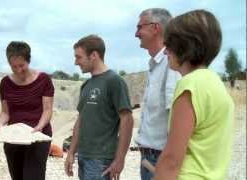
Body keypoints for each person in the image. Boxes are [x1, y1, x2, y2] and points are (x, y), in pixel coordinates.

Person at [153, 10, 234, 180]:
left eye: (169, 44)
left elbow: (172, 160)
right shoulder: (215, 82)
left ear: (184, 45)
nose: (166, 50)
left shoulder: (190, 84)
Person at [64, 35, 134, 180]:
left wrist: (120, 159)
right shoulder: (86, 85)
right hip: (83, 157)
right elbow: (80, 120)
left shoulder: (114, 81)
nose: (75, 62)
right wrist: (71, 152)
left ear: (94, 55)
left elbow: (127, 120)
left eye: (79, 57)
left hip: (101, 160)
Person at [0, 41, 54, 180]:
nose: (18, 70)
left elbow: (48, 110)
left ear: (29, 60)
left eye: (22, 65)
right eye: (13, 66)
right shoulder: (5, 83)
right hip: (13, 137)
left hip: (37, 136)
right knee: (17, 176)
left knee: (33, 177)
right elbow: (5, 113)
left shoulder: (44, 80)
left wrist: (39, 127)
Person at [134, 8, 181, 180]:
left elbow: (175, 118)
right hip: (150, 157)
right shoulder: (156, 66)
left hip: (160, 158)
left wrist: (166, 167)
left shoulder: (171, 65)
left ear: (156, 28)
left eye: (140, 27)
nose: (136, 33)